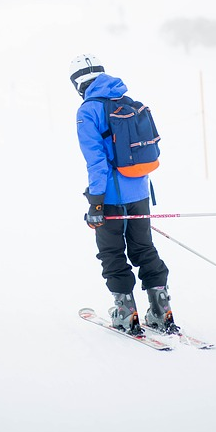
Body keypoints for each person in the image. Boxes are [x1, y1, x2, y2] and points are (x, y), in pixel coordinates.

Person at [70, 53, 178, 335]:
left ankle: (125, 313)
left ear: (78, 83)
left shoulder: (87, 111)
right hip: (140, 191)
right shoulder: (127, 102)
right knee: (143, 248)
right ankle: (161, 310)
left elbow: (96, 162)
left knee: (112, 252)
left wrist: (96, 203)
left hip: (110, 197)